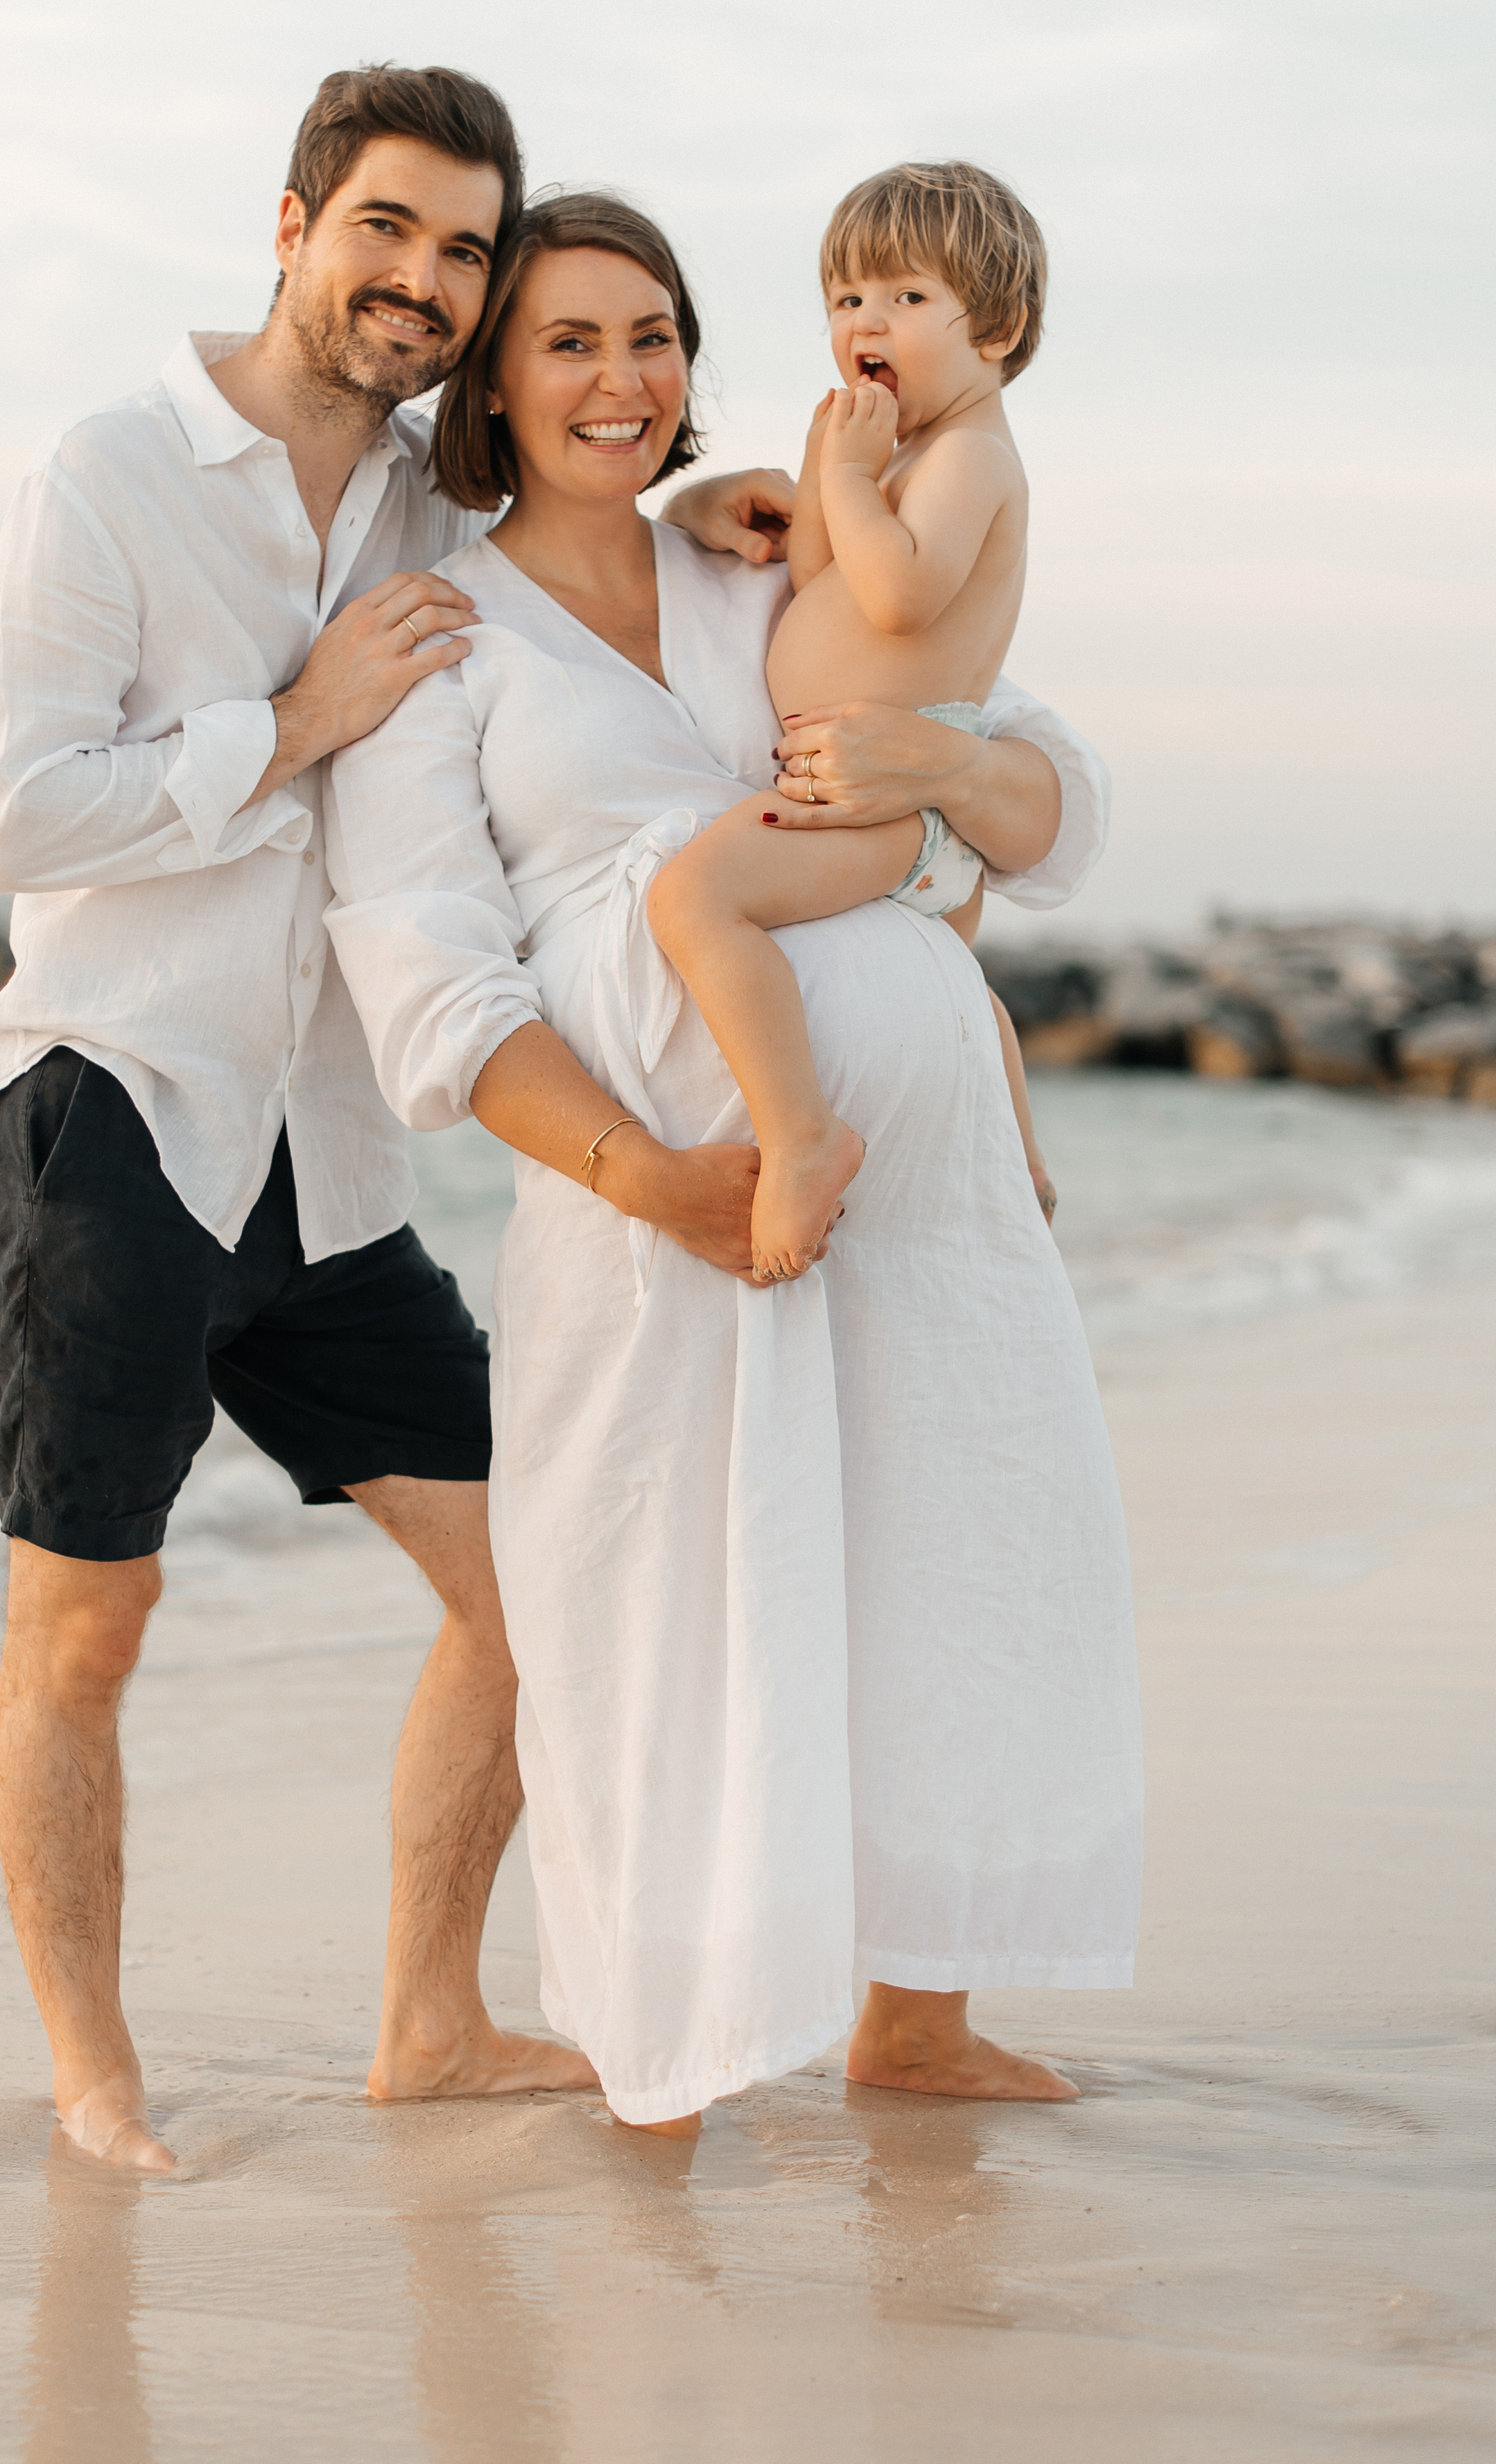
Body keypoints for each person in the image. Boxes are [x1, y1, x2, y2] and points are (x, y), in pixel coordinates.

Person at [0, 65, 803, 2172]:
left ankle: (430, 2022)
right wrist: (293, 721)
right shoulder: (109, 473)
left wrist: (709, 509)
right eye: (386, 230)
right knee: (88, 1619)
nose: (422, 280)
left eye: (460, 251)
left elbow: (569, 532)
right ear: (294, 224)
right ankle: (94, 2074)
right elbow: (15, 814)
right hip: (113, 1114)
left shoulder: (434, 510)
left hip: (325, 1158)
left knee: (532, 1586)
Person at [323, 193, 1142, 2137]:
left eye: (652, 336)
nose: (620, 379)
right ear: (491, 381)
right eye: (568, 341)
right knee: (644, 1610)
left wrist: (943, 781)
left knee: (939, 1559)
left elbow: (1052, 802)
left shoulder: (759, 553)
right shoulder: (440, 634)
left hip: (915, 1201)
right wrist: (644, 1175)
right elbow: (434, 989)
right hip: (672, 1201)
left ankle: (916, 2016)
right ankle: (662, 2045)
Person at [645, 160, 1056, 1279]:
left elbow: (900, 594)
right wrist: (832, 468)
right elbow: (820, 575)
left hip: (892, 797)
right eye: (847, 299)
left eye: (908, 298)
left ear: (998, 330)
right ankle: (1020, 1164)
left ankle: (802, 1139)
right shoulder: (902, 452)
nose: (868, 322)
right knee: (950, 984)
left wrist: (861, 479)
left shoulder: (970, 456)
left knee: (696, 899)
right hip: (879, 799)